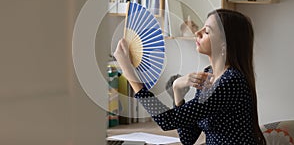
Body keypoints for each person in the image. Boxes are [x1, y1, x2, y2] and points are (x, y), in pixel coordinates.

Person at [114, 9, 266, 145]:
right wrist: (177, 92)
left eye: (206, 32)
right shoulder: (209, 76)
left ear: (224, 44)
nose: (197, 33)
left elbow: (166, 121)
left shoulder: (231, 81)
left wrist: (129, 72)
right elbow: (188, 138)